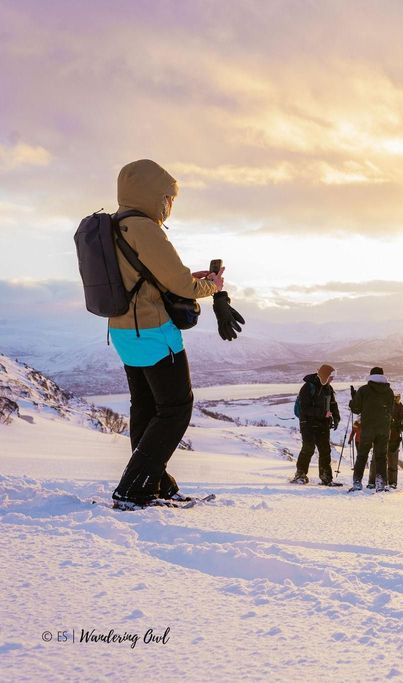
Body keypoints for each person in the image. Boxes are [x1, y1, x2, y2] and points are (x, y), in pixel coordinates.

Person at [108, 159, 244, 509]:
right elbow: (181, 284)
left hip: (123, 331)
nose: (168, 206)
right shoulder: (145, 228)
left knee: (147, 407)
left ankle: (155, 483)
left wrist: (197, 280)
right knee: (176, 409)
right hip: (152, 331)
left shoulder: (115, 225)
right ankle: (134, 488)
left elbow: (149, 276)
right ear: (154, 195)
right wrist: (211, 286)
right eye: (167, 198)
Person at [290, 364, 341, 485]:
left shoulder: (328, 388)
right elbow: (305, 408)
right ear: (325, 375)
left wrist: (336, 417)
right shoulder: (308, 387)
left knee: (325, 450)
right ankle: (300, 475)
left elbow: (333, 404)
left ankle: (326, 479)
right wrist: (323, 413)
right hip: (307, 423)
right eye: (331, 376)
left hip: (323, 424)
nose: (332, 379)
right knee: (308, 448)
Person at [348, 367, 394, 492]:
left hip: (368, 428)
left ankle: (357, 482)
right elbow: (391, 410)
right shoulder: (389, 391)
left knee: (362, 455)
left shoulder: (364, 390)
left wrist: (353, 399)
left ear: (371, 376)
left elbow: (356, 409)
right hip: (383, 429)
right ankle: (381, 484)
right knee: (381, 456)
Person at [386, 393, 403, 488]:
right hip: (386, 435)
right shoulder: (392, 405)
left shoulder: (399, 406)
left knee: (392, 459)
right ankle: (384, 481)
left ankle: (391, 482)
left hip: (393, 436)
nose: (396, 398)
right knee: (387, 459)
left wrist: (402, 425)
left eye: (397, 397)